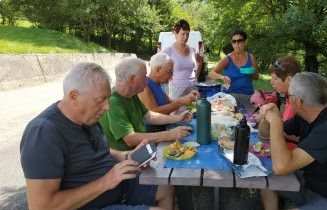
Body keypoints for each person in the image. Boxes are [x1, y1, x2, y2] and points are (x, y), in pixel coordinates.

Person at [20, 62, 174, 210]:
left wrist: (129, 156)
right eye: (100, 100)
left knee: (165, 184)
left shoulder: (88, 118)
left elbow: (105, 152)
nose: (107, 107)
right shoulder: (43, 133)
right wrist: (106, 182)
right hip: (90, 205)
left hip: (118, 188)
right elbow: (41, 206)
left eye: (107, 99)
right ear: (74, 96)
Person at [260, 72, 327, 210]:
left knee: (274, 174)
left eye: (288, 96)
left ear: (298, 101)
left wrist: (275, 121)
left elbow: (281, 167)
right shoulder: (305, 116)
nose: (287, 99)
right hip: (309, 185)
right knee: (266, 182)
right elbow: (265, 134)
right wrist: (265, 115)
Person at [99, 57, 193, 151]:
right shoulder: (114, 102)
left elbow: (150, 116)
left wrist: (177, 118)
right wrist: (169, 134)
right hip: (127, 158)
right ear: (132, 79)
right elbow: (130, 139)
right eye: (144, 76)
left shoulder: (131, 95)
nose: (147, 79)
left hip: (140, 149)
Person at [208, 29, 259, 113]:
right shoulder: (228, 58)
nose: (236, 44)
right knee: (229, 117)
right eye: (234, 41)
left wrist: (249, 72)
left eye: (239, 41)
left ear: (245, 42)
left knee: (252, 120)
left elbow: (256, 77)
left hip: (247, 96)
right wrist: (222, 77)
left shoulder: (251, 57)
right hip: (229, 96)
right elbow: (211, 73)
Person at [161, 19, 204, 100]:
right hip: (177, 91)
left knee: (192, 112)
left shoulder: (192, 50)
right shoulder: (168, 51)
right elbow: (157, 68)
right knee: (177, 112)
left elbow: (200, 61)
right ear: (175, 34)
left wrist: (196, 77)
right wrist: (167, 77)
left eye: (187, 34)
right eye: (183, 34)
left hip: (192, 89)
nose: (185, 37)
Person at [268, 55, 301, 121]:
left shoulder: (297, 102)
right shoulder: (290, 97)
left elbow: (287, 130)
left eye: (275, 78)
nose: (271, 82)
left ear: (289, 80)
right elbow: (286, 122)